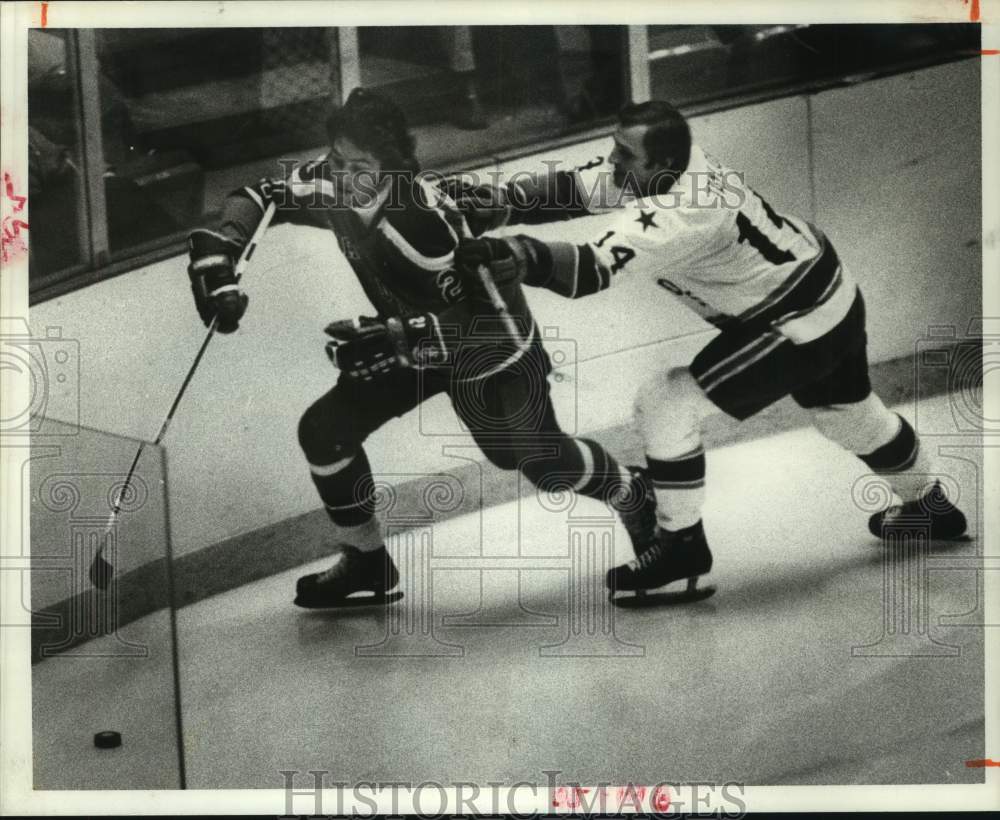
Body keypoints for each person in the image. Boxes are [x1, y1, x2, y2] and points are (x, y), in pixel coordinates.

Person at [454, 99, 968, 604]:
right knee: (849, 415)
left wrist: (517, 252)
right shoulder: (674, 168)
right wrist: (497, 202)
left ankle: (681, 552)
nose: (613, 160)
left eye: (625, 154)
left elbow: (588, 270)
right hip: (829, 289)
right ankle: (930, 508)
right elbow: (576, 188)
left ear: (663, 163)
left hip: (796, 319)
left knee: (666, 401)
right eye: (616, 147)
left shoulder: (685, 213)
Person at [185, 87, 651, 609]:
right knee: (325, 431)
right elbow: (259, 195)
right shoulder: (330, 180)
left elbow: (484, 320)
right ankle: (367, 561)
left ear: (392, 169)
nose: (342, 176)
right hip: (410, 341)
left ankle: (632, 490)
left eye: (359, 167)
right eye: (337, 159)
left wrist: (398, 337)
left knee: (534, 461)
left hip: (491, 349)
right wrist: (221, 255)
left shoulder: (423, 225)